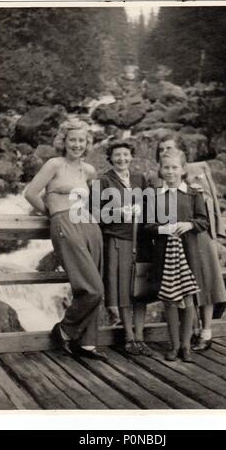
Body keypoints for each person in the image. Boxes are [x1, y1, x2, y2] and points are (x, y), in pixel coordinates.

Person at [24, 119, 107, 361]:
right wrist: (51, 213)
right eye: (73, 140)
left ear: (87, 143)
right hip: (64, 223)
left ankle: (88, 344)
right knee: (92, 288)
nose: (77, 144)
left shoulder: (88, 170)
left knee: (96, 284)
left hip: (89, 225)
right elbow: (30, 193)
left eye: (82, 140)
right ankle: (65, 329)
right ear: (64, 141)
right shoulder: (54, 164)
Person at [147, 132, 226, 351]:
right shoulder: (156, 178)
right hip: (174, 241)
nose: (166, 152)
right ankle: (187, 335)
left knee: (206, 283)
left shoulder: (198, 172)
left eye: (169, 147)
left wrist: (218, 234)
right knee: (183, 287)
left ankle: (206, 331)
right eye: (162, 149)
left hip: (199, 237)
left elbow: (210, 204)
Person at [144, 150, 209, 362]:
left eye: (175, 167)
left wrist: (188, 224)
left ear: (183, 170)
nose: (170, 171)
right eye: (166, 167)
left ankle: (186, 345)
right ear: (160, 170)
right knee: (169, 299)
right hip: (164, 255)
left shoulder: (193, 194)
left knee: (188, 298)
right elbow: (148, 226)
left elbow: (203, 221)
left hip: (188, 253)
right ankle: (173, 345)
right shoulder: (154, 195)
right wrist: (165, 229)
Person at [93, 139, 152, 356]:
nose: (122, 159)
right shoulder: (103, 180)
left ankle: (140, 337)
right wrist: (119, 213)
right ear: (110, 157)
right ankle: (128, 337)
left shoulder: (140, 179)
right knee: (125, 290)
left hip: (141, 241)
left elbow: (151, 208)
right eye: (117, 155)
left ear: (132, 157)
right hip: (118, 240)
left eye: (126, 155)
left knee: (140, 290)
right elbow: (95, 214)